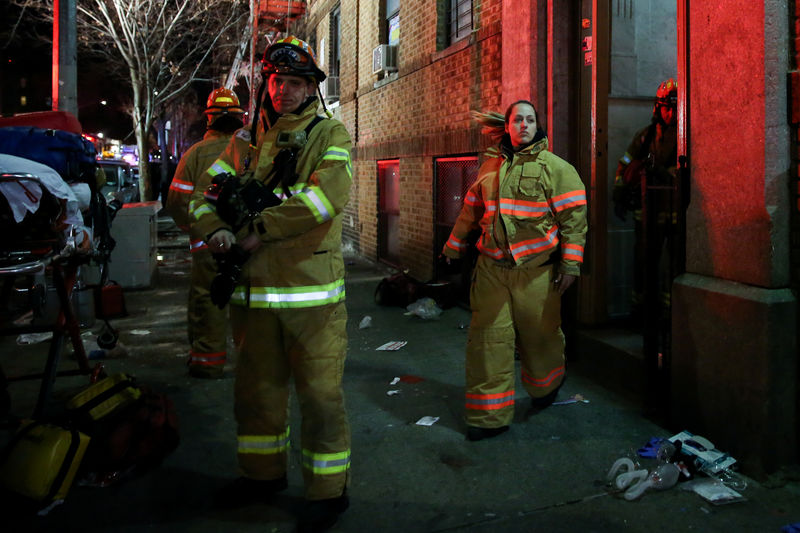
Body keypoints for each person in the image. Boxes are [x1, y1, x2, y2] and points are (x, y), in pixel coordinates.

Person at [189, 36, 352, 532]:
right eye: (278, 82)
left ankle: (328, 490)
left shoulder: (330, 134)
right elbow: (201, 197)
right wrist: (214, 229)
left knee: (321, 397)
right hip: (252, 296)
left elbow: (325, 201)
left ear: (310, 89)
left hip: (312, 298)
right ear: (268, 85)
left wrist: (257, 230)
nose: (285, 91)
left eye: (296, 83)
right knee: (257, 394)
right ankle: (261, 476)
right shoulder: (242, 144)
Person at [442, 100, 588, 441]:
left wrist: (571, 265)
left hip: (536, 274)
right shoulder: (489, 167)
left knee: (539, 338)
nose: (524, 125)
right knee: (487, 342)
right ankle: (487, 417)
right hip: (492, 270)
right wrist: (453, 245)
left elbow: (575, 222)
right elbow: (470, 211)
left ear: (538, 126)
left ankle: (547, 385)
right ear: (507, 126)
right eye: (517, 119)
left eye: (530, 119)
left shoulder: (557, 169)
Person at [166, 88, 245, 378]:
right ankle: (257, 364)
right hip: (250, 242)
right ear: (238, 117)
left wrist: (197, 230)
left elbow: (177, 203)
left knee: (209, 300)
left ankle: (208, 364)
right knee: (253, 301)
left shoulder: (195, 154)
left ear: (209, 119)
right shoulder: (251, 149)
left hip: (208, 245)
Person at [612, 78, 678, 320]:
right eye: (666, 107)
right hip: (647, 213)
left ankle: (670, 315)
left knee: (674, 266)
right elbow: (626, 163)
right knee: (643, 264)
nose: (670, 113)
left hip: (676, 214)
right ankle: (641, 311)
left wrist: (664, 173)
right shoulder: (645, 137)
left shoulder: (687, 136)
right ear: (657, 107)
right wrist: (618, 192)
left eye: (674, 107)